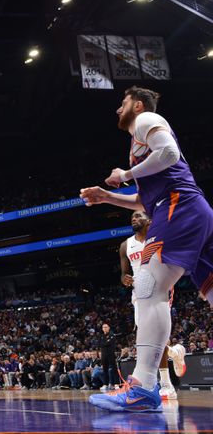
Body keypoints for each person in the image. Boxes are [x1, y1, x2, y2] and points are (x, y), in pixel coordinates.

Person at [81, 87, 213, 412]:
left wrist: (125, 175)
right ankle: (147, 386)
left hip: (178, 208)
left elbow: (169, 154)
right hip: (191, 210)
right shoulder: (139, 142)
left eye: (122, 103)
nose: (117, 110)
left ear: (137, 105)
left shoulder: (146, 119)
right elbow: (145, 200)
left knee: (149, 287)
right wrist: (108, 197)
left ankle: (144, 386)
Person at [118, 211, 185, 400]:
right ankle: (175, 352)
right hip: (139, 293)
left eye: (138, 216)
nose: (134, 218)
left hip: (161, 287)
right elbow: (123, 274)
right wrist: (125, 279)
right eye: (132, 217)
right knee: (148, 338)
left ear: (150, 221)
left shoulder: (160, 239)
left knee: (154, 335)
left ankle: (166, 384)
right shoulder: (125, 246)